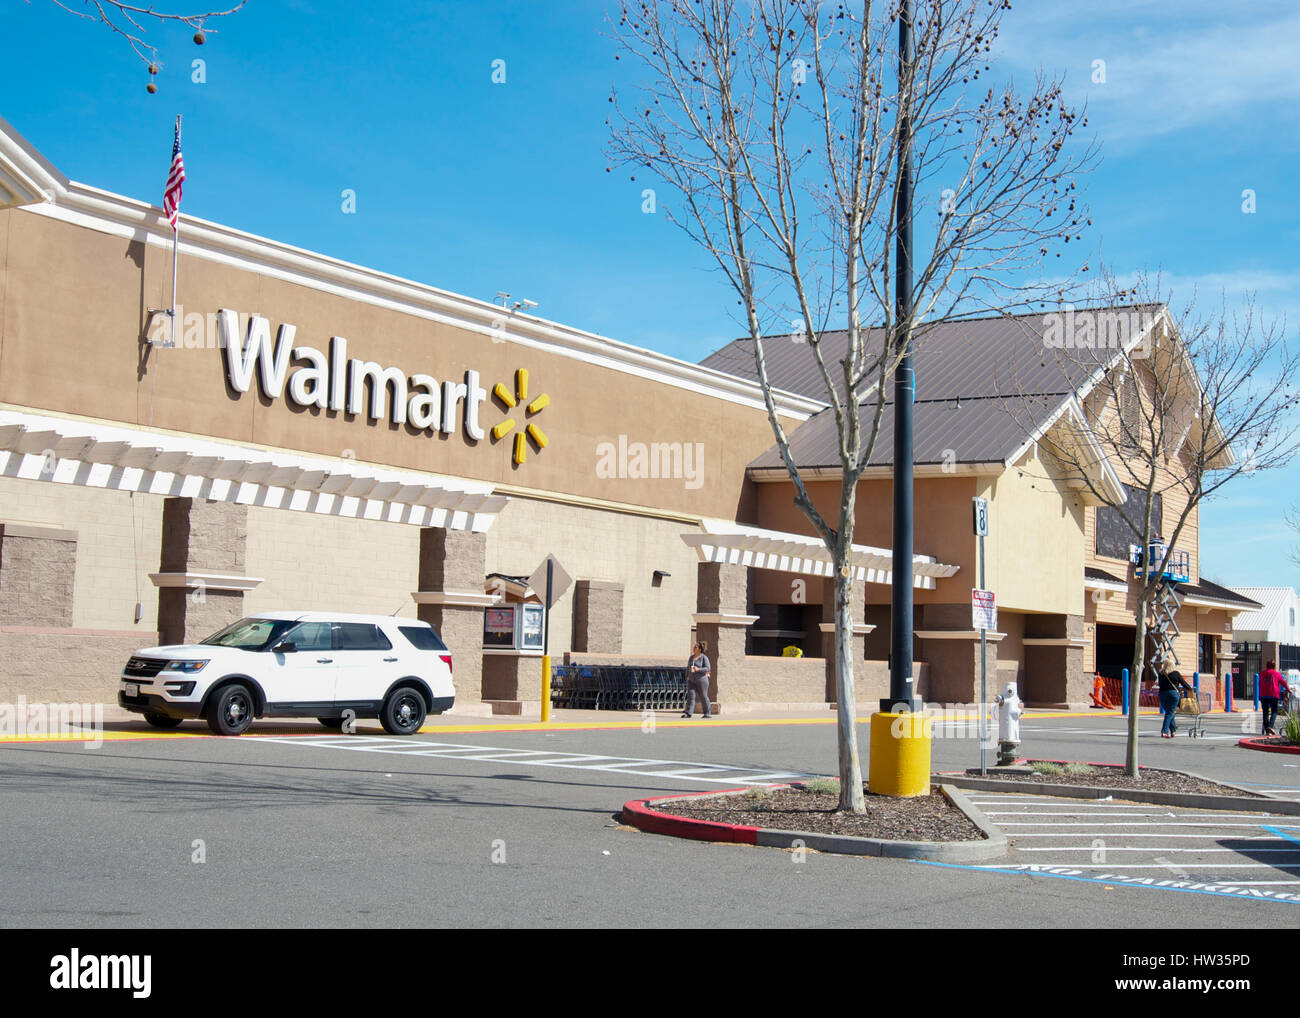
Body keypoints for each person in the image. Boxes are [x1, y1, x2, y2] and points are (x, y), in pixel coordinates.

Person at [1157, 668, 1192, 738]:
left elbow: (1160, 684)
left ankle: (1173, 731)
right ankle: (1164, 731)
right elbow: (1184, 684)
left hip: (1162, 695)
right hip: (1173, 695)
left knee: (1169, 712)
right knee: (1169, 713)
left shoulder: (1161, 674)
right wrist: (1190, 689)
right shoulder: (1175, 673)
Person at [1259, 659, 1289, 736]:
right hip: (1273, 694)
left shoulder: (1262, 674)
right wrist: (1288, 690)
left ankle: (1267, 730)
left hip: (1263, 695)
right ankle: (1270, 727)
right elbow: (1283, 682)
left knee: (1265, 713)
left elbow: (1260, 683)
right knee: (1274, 711)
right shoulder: (1276, 674)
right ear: (1274, 666)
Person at [683, 641, 711, 719]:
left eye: (695, 647)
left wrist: (698, 669)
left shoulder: (704, 658)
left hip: (702, 680)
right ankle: (688, 713)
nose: (694, 648)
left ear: (699, 649)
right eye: (694, 646)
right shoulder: (691, 658)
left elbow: (708, 668)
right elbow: (688, 668)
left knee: (703, 696)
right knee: (691, 696)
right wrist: (687, 676)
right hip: (691, 680)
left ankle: (707, 712)